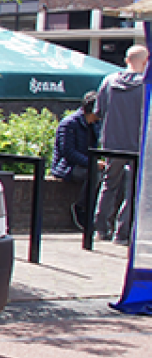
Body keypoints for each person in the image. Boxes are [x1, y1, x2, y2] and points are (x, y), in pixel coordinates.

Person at [93, 45, 147, 246]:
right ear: (146, 61)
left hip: (112, 143)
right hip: (137, 145)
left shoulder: (108, 81)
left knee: (108, 185)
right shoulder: (147, 85)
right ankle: (122, 234)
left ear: (126, 60)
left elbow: (98, 112)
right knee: (133, 190)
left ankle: (100, 229)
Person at [54, 92, 100, 230]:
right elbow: (68, 152)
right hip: (67, 166)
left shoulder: (95, 125)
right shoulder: (69, 124)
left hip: (86, 164)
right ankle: (81, 208)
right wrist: (92, 163)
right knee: (93, 175)